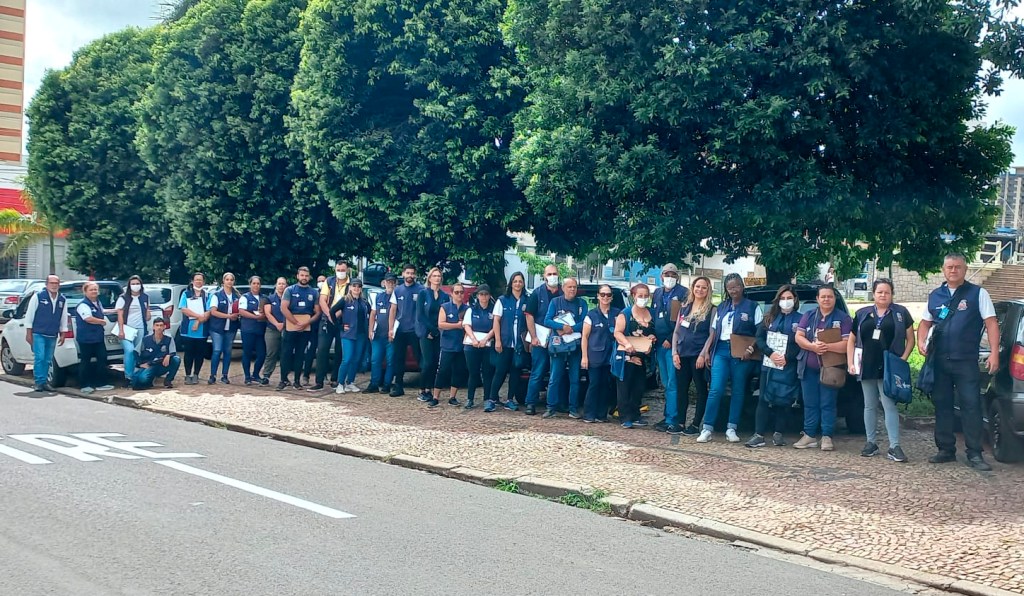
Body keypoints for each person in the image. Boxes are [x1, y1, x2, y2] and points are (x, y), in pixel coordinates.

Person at [917, 253, 999, 471]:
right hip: (940, 360)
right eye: (949, 267)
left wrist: (994, 353)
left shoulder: (977, 293)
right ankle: (945, 449)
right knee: (942, 405)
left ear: (965, 269)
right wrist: (920, 342)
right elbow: (924, 323)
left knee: (971, 405)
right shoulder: (935, 295)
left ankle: (974, 453)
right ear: (943, 270)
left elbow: (991, 323)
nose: (953, 271)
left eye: (958, 267)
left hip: (966, 360)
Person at [849, 278, 915, 462]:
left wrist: (902, 360)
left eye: (887, 292)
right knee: (869, 405)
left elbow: (911, 339)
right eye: (879, 292)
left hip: (889, 366)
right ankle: (871, 443)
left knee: (888, 405)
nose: (883, 295)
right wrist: (851, 362)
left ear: (892, 294)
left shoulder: (901, 313)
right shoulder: (862, 313)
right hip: (867, 365)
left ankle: (894, 446)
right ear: (874, 294)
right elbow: (852, 340)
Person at [696, 273, 763, 443]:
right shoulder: (722, 307)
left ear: (742, 286)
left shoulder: (752, 306)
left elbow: (760, 332)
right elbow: (713, 331)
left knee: (738, 389)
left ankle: (732, 427)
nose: (734, 290)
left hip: (742, 352)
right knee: (716, 389)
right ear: (726, 289)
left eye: (737, 286)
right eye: (730, 287)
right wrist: (707, 351)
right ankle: (707, 427)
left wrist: (751, 348)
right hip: (721, 350)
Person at [794, 284, 852, 451]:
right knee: (810, 402)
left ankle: (827, 436)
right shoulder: (809, 315)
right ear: (818, 299)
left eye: (830, 296)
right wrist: (813, 347)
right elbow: (799, 337)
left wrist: (826, 347)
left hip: (832, 368)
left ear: (834, 299)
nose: (826, 299)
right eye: (823, 296)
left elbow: (847, 344)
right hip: (808, 366)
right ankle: (809, 435)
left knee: (828, 402)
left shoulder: (843, 318)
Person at [746, 286, 802, 448]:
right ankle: (759, 435)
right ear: (778, 300)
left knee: (783, 401)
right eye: (783, 298)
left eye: (789, 298)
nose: (786, 301)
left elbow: (801, 342)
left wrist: (787, 357)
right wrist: (770, 353)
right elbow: (759, 338)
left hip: (788, 366)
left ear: (795, 299)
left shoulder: (800, 319)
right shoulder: (769, 318)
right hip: (769, 365)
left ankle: (779, 434)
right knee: (764, 399)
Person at [671, 276, 714, 435]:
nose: (700, 290)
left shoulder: (712, 309)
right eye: (697, 286)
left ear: (708, 290)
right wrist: (674, 352)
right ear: (693, 288)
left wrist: (703, 354)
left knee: (701, 390)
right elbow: (676, 331)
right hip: (682, 354)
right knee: (681, 389)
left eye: (704, 287)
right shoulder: (684, 307)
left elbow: (711, 335)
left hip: (698, 356)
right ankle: (680, 422)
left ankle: (696, 424)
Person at [542, 277, 588, 419]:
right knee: (554, 378)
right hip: (558, 345)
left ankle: (573, 409)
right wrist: (562, 327)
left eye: (574, 287)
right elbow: (547, 320)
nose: (572, 289)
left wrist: (571, 329)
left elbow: (586, 322)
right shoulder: (555, 302)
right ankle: (551, 408)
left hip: (575, 345)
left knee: (575, 379)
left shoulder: (582, 303)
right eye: (569, 287)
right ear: (563, 288)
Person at [611, 284, 656, 428]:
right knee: (624, 387)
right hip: (626, 356)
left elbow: (655, 332)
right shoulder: (626, 313)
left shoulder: (651, 313)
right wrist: (627, 345)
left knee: (639, 386)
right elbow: (617, 332)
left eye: (646, 296)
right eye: (640, 296)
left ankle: (635, 414)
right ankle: (625, 417)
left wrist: (652, 338)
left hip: (644, 357)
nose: (643, 299)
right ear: (633, 296)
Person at [651, 263, 689, 432]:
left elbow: (684, 320)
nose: (670, 277)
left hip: (673, 344)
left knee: (673, 383)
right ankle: (667, 415)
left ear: (678, 277)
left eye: (673, 275)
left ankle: (672, 419)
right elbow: (653, 315)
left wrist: (669, 338)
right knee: (666, 383)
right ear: (661, 276)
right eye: (667, 274)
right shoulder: (658, 293)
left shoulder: (683, 293)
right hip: (658, 344)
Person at [524, 265, 562, 415]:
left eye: (555, 273)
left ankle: (556, 404)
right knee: (537, 372)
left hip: (560, 340)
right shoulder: (537, 293)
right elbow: (529, 315)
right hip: (540, 339)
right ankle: (530, 403)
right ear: (544, 276)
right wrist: (533, 337)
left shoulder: (563, 292)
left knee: (557, 373)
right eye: (549, 274)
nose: (552, 276)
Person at [581, 284, 619, 423]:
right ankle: (589, 413)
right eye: (602, 294)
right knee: (594, 384)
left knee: (605, 384)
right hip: (594, 356)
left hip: (610, 356)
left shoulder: (617, 314)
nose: (605, 297)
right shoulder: (591, 315)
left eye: (608, 295)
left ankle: (601, 414)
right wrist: (584, 357)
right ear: (598, 296)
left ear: (612, 297)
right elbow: (584, 337)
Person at [278, 267, 320, 390]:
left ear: (309, 277)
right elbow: (284, 308)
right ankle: (283, 379)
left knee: (300, 354)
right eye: (302, 275)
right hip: (291, 326)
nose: (304, 278)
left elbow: (317, 312)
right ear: (297, 276)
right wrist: (295, 322)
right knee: (286, 353)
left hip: (305, 328)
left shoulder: (313, 292)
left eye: (306, 276)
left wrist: (306, 323)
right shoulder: (290, 290)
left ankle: (297, 381)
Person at [491, 272, 528, 411]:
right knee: (500, 371)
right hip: (505, 342)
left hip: (519, 344)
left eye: (520, 281)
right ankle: (492, 398)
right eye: (515, 281)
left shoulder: (527, 300)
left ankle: (510, 399)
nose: (518, 284)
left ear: (523, 283)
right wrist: (498, 340)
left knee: (515, 372)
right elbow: (496, 321)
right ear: (511, 283)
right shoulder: (503, 300)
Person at [25, 275, 68, 392]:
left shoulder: (62, 299)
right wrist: (28, 332)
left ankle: (44, 382)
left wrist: (63, 333)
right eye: (52, 283)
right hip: (38, 333)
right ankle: (39, 382)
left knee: (48, 359)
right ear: (46, 284)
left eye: (56, 283)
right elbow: (30, 315)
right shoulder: (38, 296)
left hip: (52, 334)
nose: (54, 285)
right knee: (39, 357)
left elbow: (64, 317)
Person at [429, 282, 469, 408]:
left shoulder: (467, 309)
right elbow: (441, 324)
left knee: (458, 371)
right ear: (451, 294)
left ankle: (453, 396)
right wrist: (457, 325)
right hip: (447, 344)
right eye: (456, 292)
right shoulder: (445, 307)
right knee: (442, 370)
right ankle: (435, 397)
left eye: (461, 292)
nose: (459, 295)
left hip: (461, 345)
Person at [312, 261, 350, 391]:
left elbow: (348, 302)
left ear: (347, 270)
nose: (340, 272)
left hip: (343, 320)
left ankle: (335, 379)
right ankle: (319, 381)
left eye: (343, 269)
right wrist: (329, 315)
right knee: (322, 350)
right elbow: (322, 299)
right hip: (327, 319)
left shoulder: (351, 284)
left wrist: (335, 315)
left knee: (340, 351)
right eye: (338, 269)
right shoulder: (329, 281)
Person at [388, 264, 424, 397]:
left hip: (415, 330)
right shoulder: (397, 290)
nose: (410, 275)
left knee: (419, 358)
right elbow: (393, 310)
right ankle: (398, 386)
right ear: (403, 274)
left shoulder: (421, 290)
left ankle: (424, 387)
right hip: (400, 329)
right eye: (407, 273)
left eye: (412, 273)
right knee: (398, 359)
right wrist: (390, 329)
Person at [416, 267, 450, 402]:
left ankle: (429, 389)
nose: (437, 278)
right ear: (430, 278)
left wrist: (437, 330)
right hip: (425, 332)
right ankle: (422, 389)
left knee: (435, 363)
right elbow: (420, 315)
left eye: (439, 276)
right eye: (434, 276)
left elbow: (445, 314)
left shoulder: (444, 296)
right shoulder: (423, 294)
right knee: (428, 362)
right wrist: (431, 330)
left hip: (438, 332)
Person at [74, 281, 114, 394]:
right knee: (85, 361)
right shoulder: (83, 305)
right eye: (91, 290)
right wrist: (101, 321)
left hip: (98, 338)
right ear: (85, 292)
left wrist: (115, 311)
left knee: (102, 359)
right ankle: (84, 385)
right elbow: (88, 318)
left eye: (96, 289)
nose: (94, 292)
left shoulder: (97, 302)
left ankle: (101, 383)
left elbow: (102, 311)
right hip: (86, 338)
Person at [333, 278, 370, 394]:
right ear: (350, 287)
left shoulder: (364, 302)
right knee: (347, 359)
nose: (356, 288)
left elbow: (371, 314)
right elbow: (332, 311)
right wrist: (340, 326)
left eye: (358, 286)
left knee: (356, 359)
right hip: (348, 334)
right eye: (354, 286)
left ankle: (350, 382)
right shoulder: (344, 300)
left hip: (361, 335)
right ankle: (340, 383)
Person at [464, 284, 496, 410]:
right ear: (477, 296)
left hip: (487, 344)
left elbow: (495, 326)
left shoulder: (493, 309)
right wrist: (473, 339)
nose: (484, 297)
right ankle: (470, 398)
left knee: (488, 373)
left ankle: (487, 399)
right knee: (473, 373)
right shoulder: (471, 309)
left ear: (490, 296)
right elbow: (467, 325)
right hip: (472, 344)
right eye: (481, 294)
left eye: (486, 294)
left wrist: (485, 339)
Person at [115, 275, 151, 387]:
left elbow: (147, 314)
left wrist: (148, 313)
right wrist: (121, 330)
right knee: (129, 350)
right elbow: (120, 315)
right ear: (129, 285)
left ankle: (136, 376)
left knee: (137, 352)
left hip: (140, 328)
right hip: (127, 329)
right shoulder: (123, 298)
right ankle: (128, 376)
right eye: (133, 284)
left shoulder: (145, 297)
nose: (135, 286)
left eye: (137, 283)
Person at [207, 272, 240, 385]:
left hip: (231, 328)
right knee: (217, 350)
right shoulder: (217, 295)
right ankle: (212, 375)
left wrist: (237, 315)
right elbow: (213, 311)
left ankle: (225, 375)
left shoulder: (237, 296)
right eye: (227, 279)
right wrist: (228, 316)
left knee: (228, 351)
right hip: (217, 327)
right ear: (223, 281)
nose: (229, 282)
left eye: (231, 280)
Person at [367, 272, 397, 393]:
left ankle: (387, 384)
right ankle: (374, 384)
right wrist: (370, 330)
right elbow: (373, 314)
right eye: (388, 282)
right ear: (384, 283)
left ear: (396, 283)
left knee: (390, 361)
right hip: (378, 334)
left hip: (391, 335)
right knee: (375, 360)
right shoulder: (378, 297)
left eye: (392, 282)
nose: (390, 284)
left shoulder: (398, 296)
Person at [178, 272, 210, 385]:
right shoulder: (186, 294)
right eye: (196, 280)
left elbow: (208, 312)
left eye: (200, 280)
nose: (198, 282)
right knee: (188, 353)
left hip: (202, 329)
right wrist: (198, 317)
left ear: (204, 282)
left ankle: (196, 374)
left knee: (199, 353)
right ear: (192, 281)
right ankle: (187, 375)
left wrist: (198, 321)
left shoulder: (207, 295)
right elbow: (183, 309)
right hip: (188, 329)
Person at [131, 317, 180, 389]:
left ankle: (168, 380)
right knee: (142, 379)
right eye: (157, 325)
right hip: (149, 365)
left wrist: (169, 355)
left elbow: (173, 352)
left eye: (161, 325)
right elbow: (135, 352)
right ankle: (150, 380)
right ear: (153, 327)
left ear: (164, 327)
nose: (159, 328)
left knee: (176, 359)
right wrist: (140, 364)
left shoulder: (169, 339)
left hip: (162, 365)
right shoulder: (145, 339)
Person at [239, 276, 267, 385]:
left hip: (260, 330)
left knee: (261, 354)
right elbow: (242, 311)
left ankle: (255, 374)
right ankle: (247, 376)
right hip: (248, 329)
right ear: (250, 284)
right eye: (254, 283)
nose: (256, 285)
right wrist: (255, 317)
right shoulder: (245, 297)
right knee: (247, 353)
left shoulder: (264, 298)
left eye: (258, 283)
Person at [261, 277, 287, 385]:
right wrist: (277, 324)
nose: (281, 285)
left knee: (285, 354)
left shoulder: (289, 298)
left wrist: (284, 324)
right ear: (276, 285)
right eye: (279, 283)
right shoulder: (269, 298)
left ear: (286, 286)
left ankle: (284, 377)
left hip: (287, 328)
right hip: (272, 328)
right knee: (271, 353)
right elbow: (267, 313)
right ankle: (266, 376)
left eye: (283, 284)